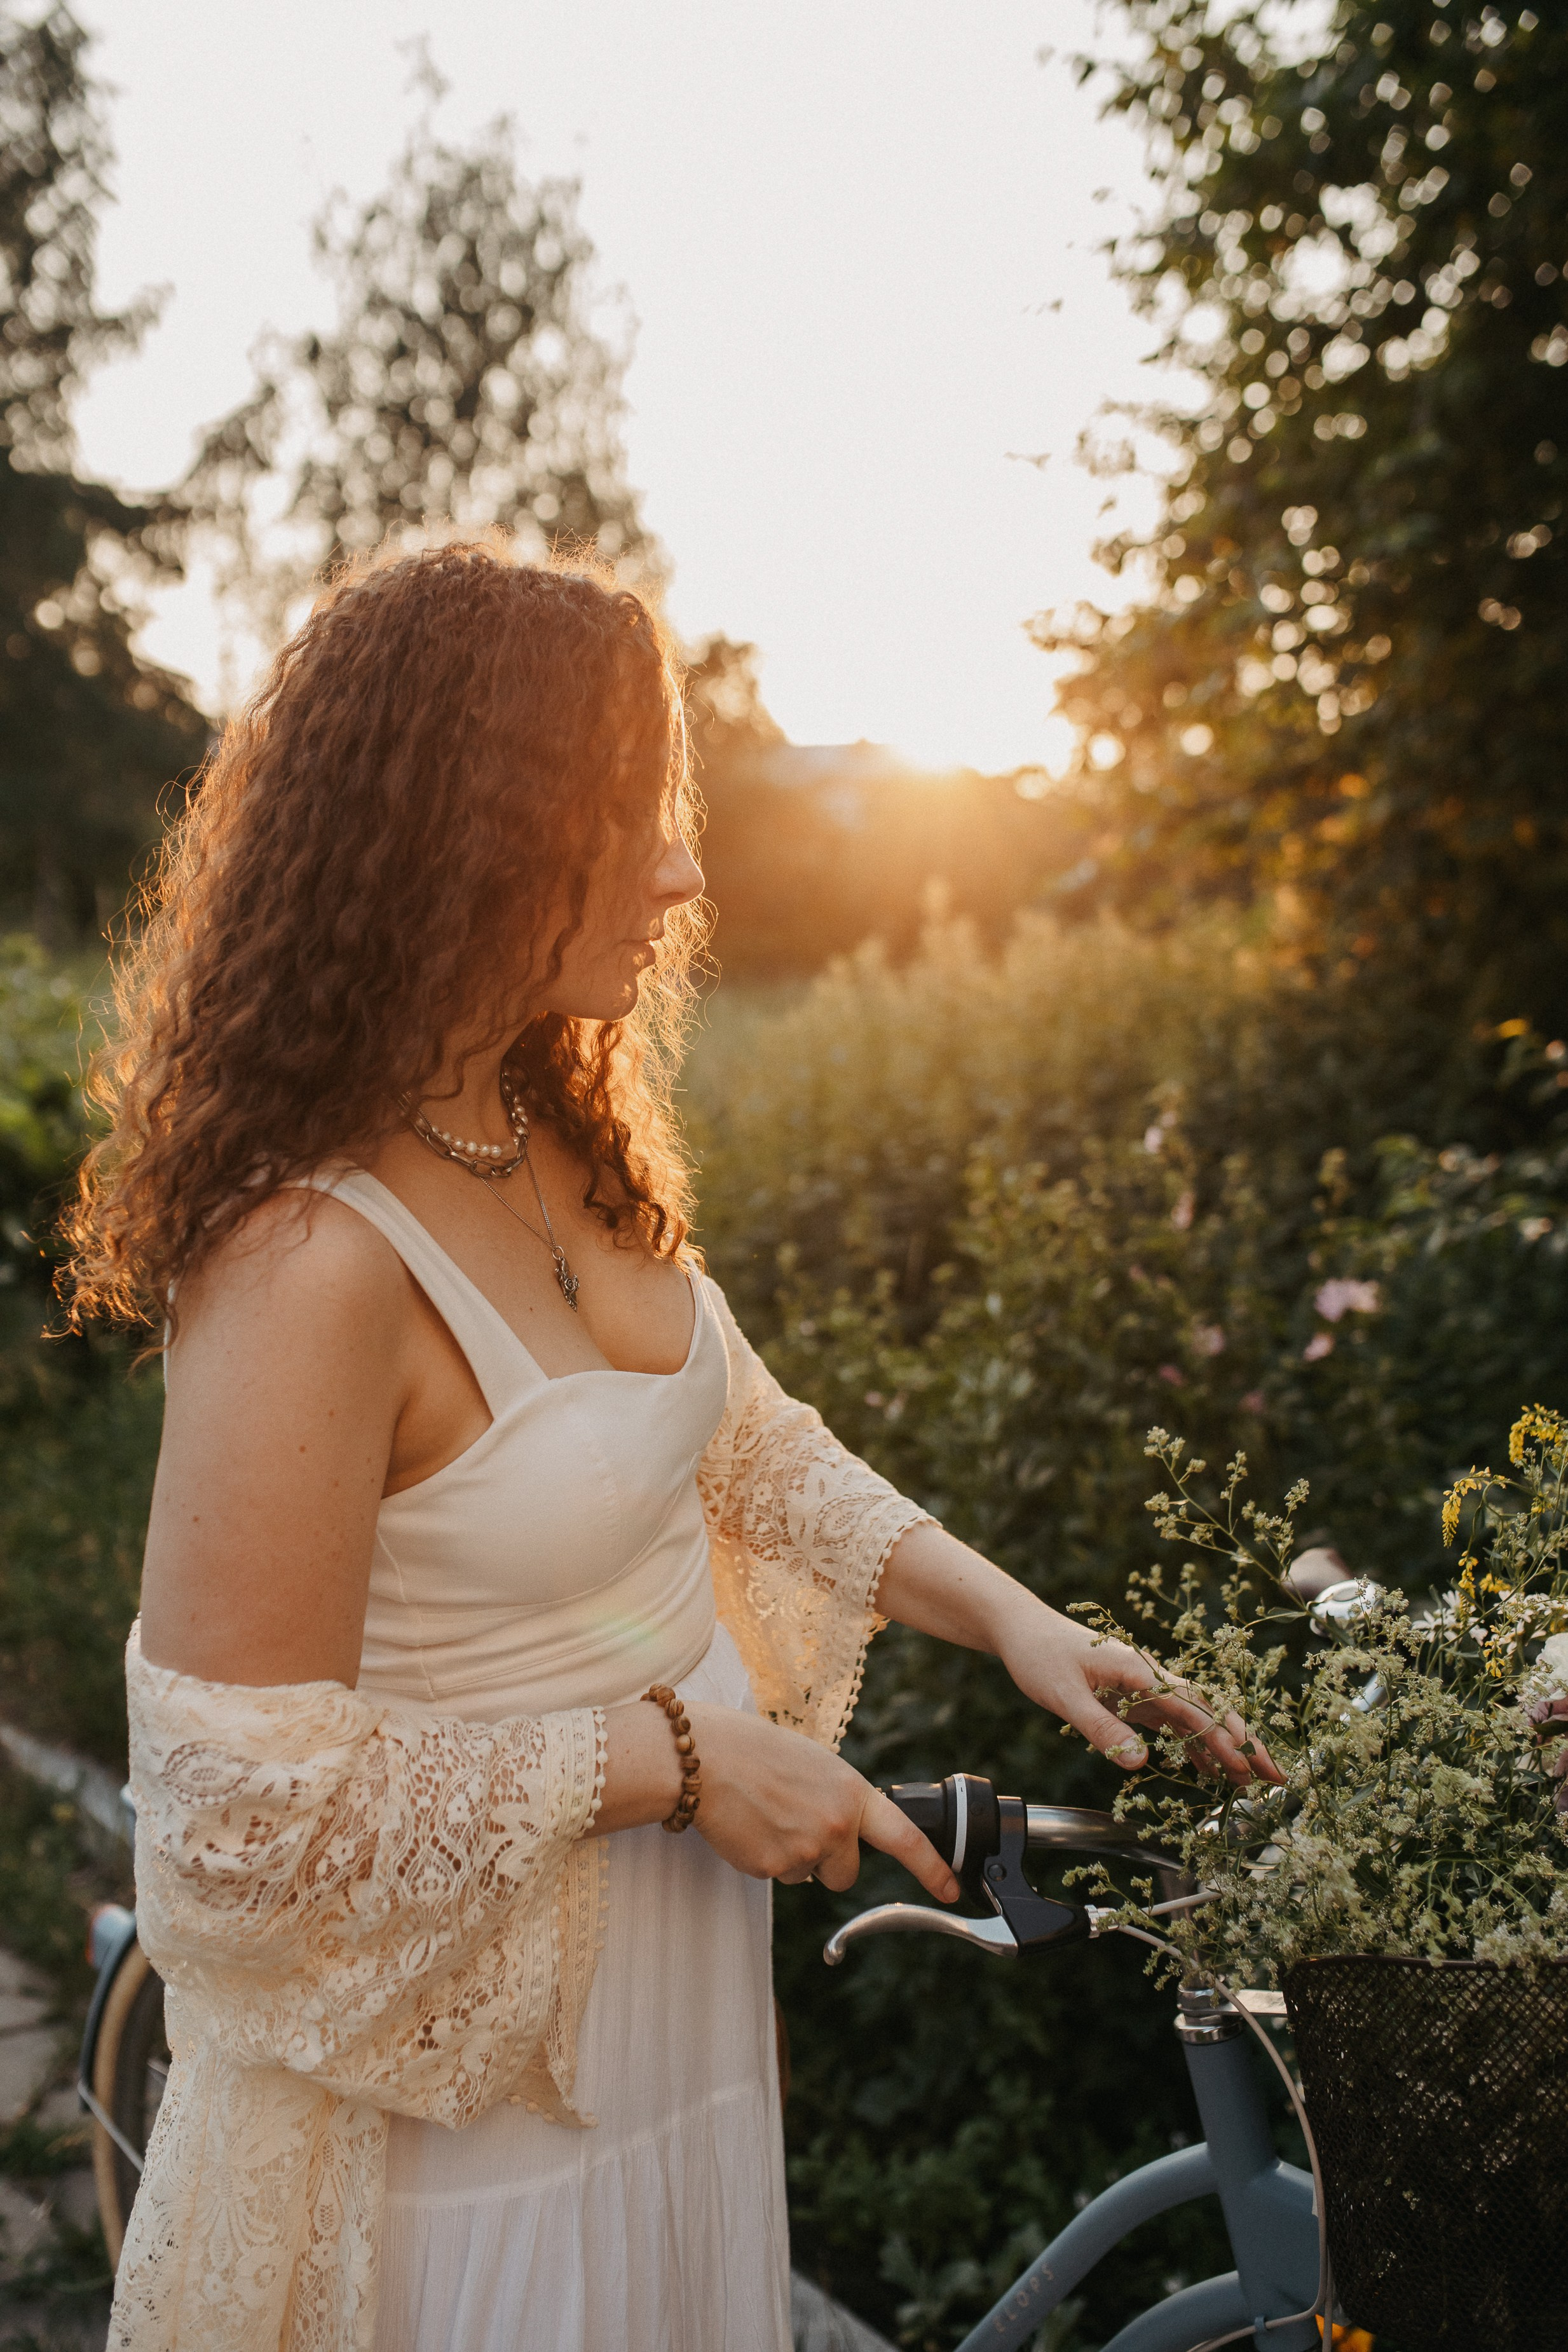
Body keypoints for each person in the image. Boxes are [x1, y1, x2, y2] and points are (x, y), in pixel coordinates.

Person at [65, 543, 1272, 2352]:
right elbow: (239, 1826)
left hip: (674, 2034)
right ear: (467, 831)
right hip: (457, 2131)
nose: (684, 866)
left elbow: (744, 1448)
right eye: (624, 813)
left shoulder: (552, 1126)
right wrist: (689, 1761)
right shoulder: (306, 1259)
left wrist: (1016, 1619)